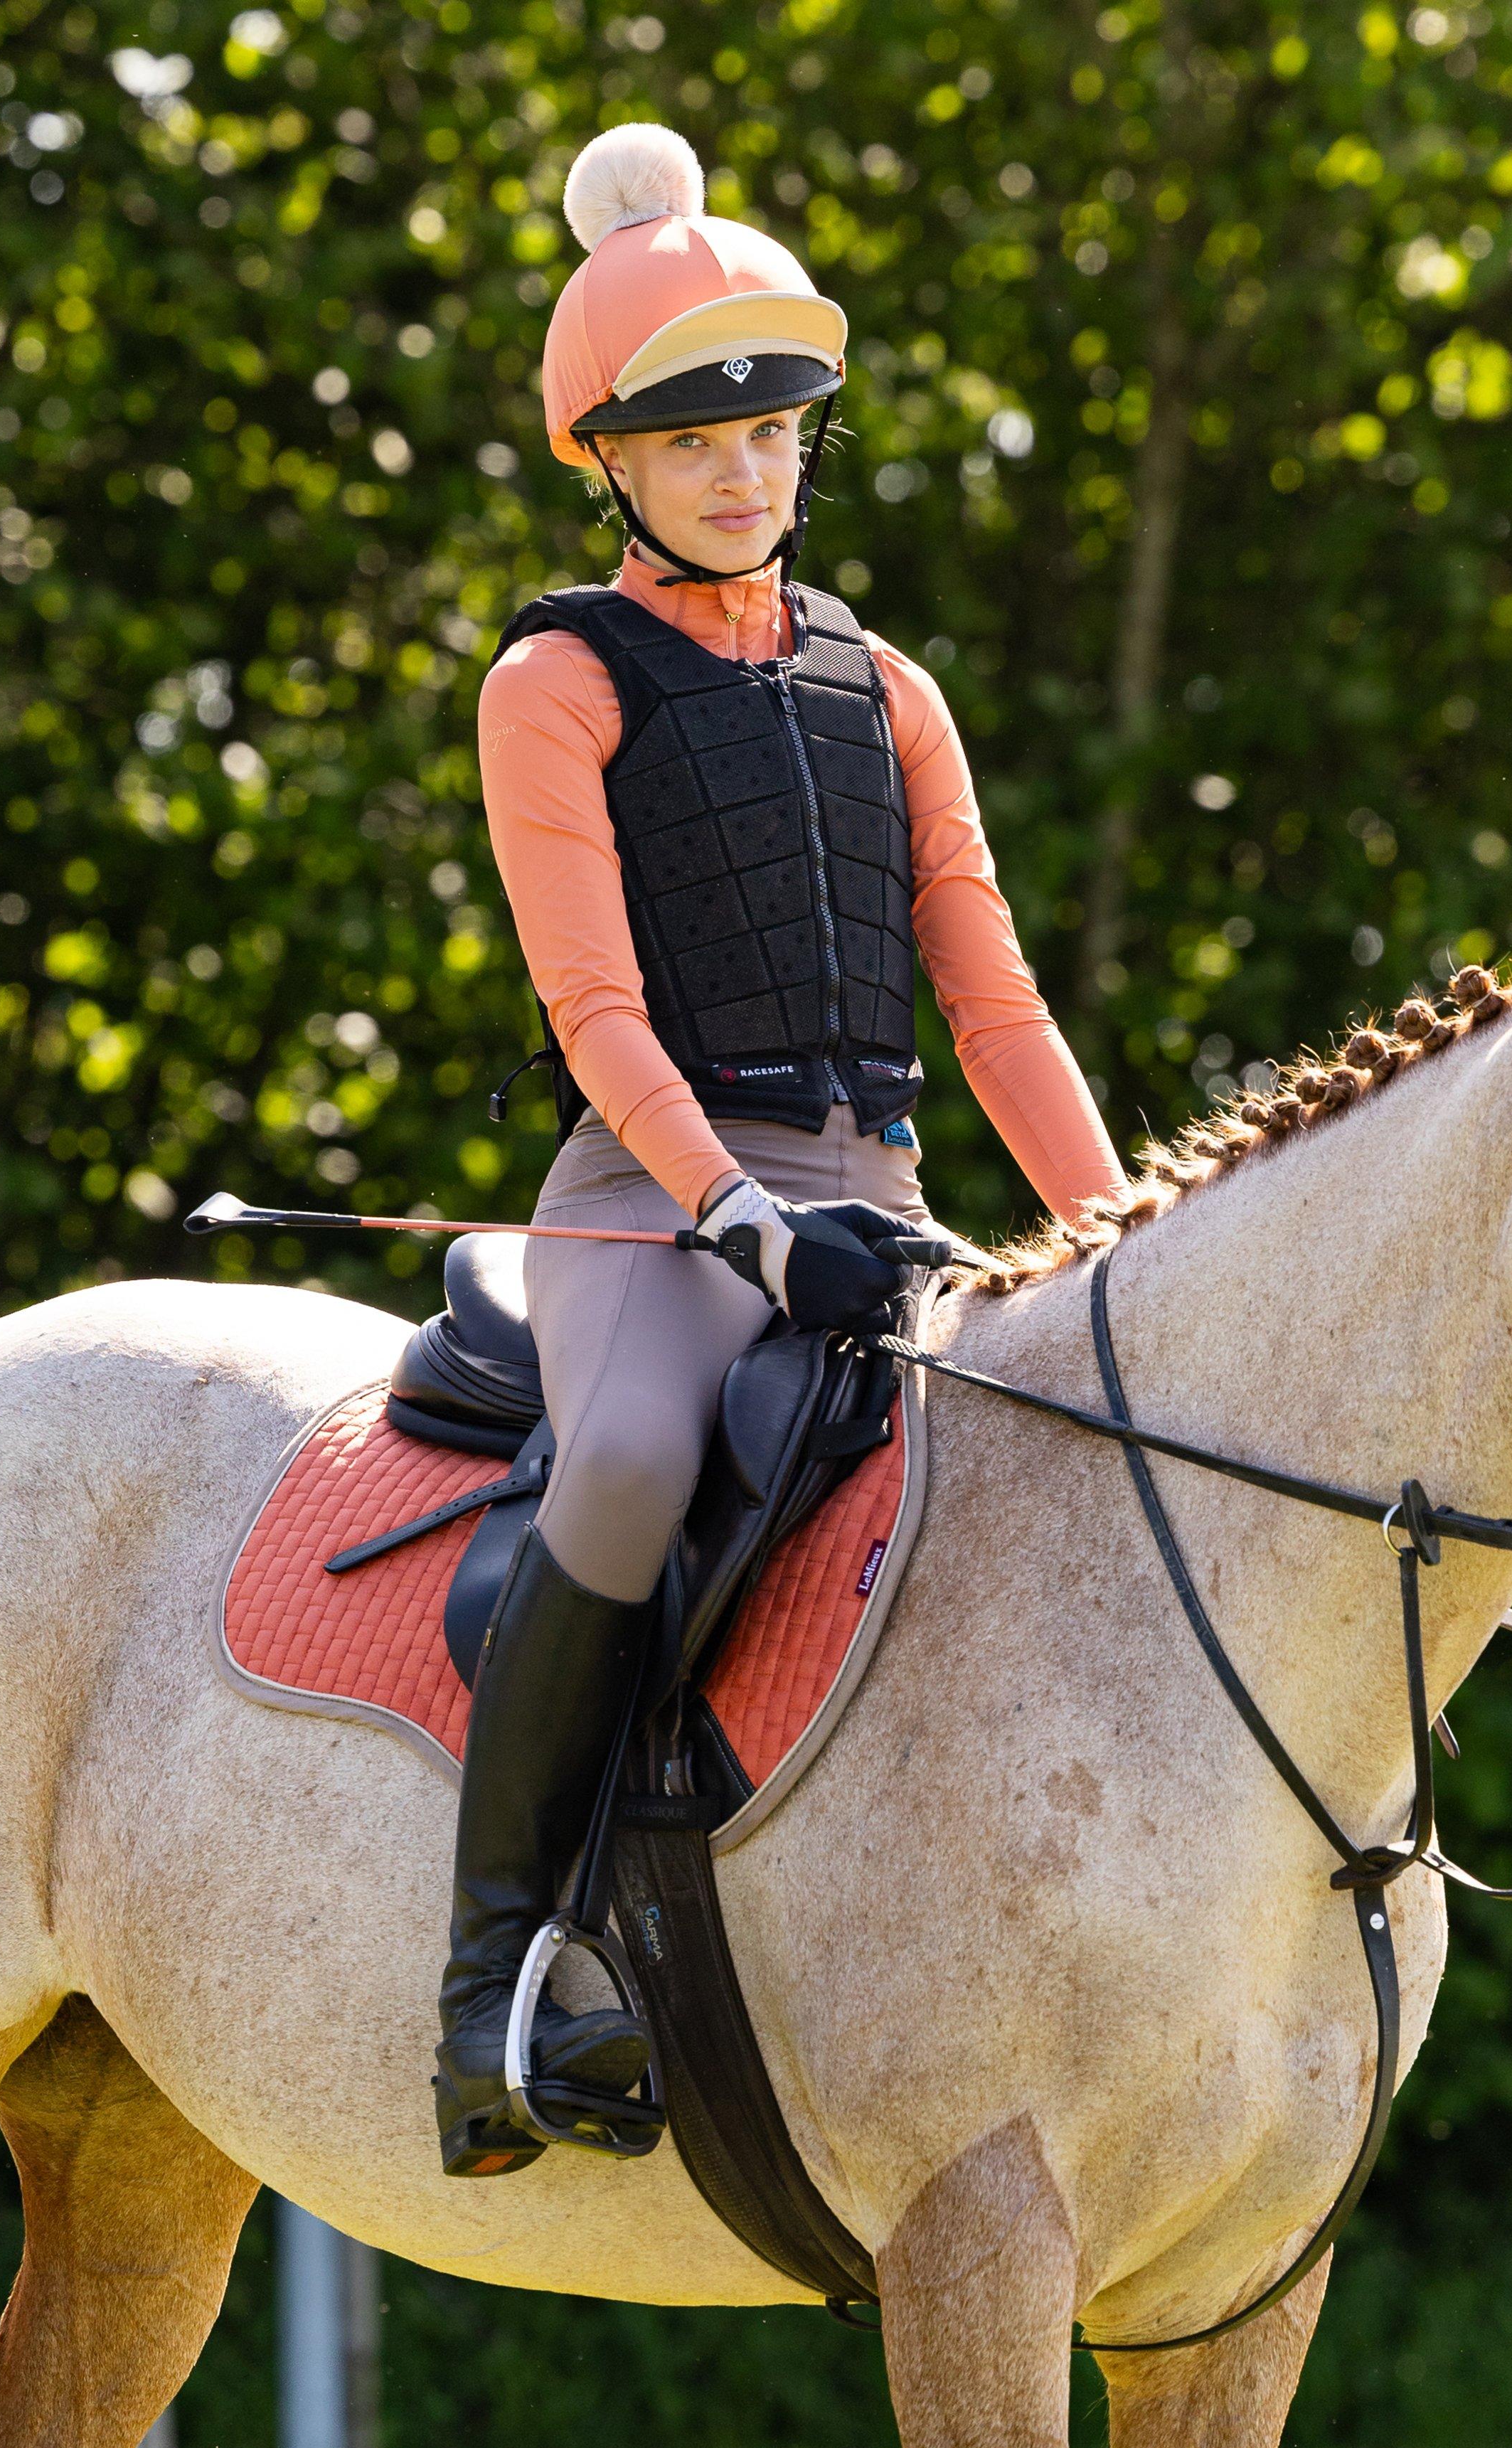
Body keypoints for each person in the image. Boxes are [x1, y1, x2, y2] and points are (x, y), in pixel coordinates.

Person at [432, 124, 1129, 2176]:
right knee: (636, 1463)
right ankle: (495, 1980)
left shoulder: (887, 689)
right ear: (613, 463)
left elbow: (994, 1008)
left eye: (772, 434)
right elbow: (598, 1015)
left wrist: (1117, 1240)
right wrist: (739, 1217)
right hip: (656, 1207)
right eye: (693, 443)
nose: (746, 475)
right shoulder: (555, 684)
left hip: (882, 1205)